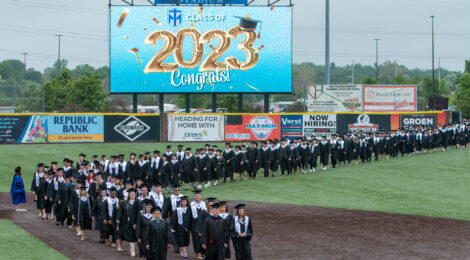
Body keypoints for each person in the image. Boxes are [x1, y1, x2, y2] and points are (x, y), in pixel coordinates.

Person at [117, 188, 139, 256]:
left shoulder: (138, 202)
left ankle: (132, 250)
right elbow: (120, 211)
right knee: (122, 234)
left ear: (135, 195)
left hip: (134, 222)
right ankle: (120, 245)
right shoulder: (124, 203)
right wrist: (118, 218)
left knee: (133, 236)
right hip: (126, 222)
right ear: (129, 195)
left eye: (133, 194)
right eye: (131, 194)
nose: (132, 195)